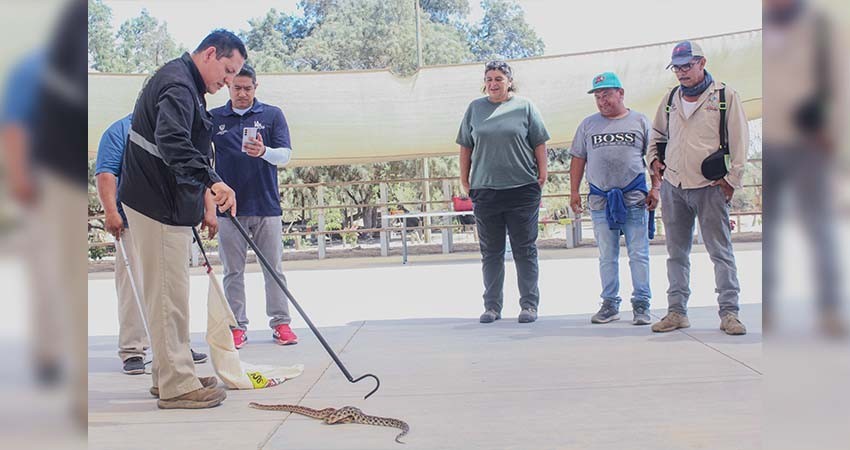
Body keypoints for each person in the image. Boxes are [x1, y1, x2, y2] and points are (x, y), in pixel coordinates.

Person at [118, 29, 244, 409]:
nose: (227, 82)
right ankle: (177, 384)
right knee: (168, 297)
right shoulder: (177, 84)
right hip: (157, 203)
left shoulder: (183, 82)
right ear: (209, 54)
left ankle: (171, 372)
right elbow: (173, 141)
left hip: (164, 202)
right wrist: (213, 181)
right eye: (226, 70)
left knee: (170, 294)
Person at [646, 41, 749, 335]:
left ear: (702, 63)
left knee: (721, 252)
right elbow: (656, 135)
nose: (681, 73)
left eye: (687, 66)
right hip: (674, 186)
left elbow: (740, 141)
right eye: (677, 67)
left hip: (709, 187)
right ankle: (676, 312)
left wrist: (731, 180)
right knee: (676, 253)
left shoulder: (725, 96)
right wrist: (654, 161)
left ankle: (730, 313)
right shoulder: (670, 98)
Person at [95, 113, 209, 374]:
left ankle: (176, 346)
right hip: (133, 221)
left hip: (172, 220)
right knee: (133, 285)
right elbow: (106, 174)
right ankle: (133, 349)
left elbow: (193, 171)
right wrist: (111, 212)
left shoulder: (177, 131)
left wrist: (204, 209)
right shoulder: (119, 130)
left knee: (174, 288)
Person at [210, 64, 299, 349]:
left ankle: (281, 323)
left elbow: (284, 155)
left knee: (273, 268)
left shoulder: (272, 115)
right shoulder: (213, 119)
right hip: (228, 211)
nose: (242, 93)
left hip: (266, 206)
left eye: (248, 88)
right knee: (232, 271)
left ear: (256, 87)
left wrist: (264, 152)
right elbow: (201, 161)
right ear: (228, 87)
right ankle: (237, 326)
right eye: (237, 88)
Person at [456, 60, 549, 324]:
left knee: (525, 249)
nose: (493, 84)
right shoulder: (475, 108)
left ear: (509, 81)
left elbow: (539, 142)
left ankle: (529, 305)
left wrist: (542, 174)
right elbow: (465, 146)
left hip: (522, 190)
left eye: (498, 78)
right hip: (486, 191)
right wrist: (465, 180)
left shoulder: (525, 107)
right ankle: (492, 307)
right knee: (491, 251)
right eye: (489, 79)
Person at [569, 72, 655, 326]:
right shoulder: (588, 125)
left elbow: (653, 158)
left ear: (621, 93)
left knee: (638, 253)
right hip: (600, 199)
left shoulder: (640, 121)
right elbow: (578, 159)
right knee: (607, 254)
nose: (602, 100)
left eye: (606, 94)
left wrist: (657, 188)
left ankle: (641, 303)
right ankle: (609, 303)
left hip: (635, 197)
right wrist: (574, 191)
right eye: (597, 96)